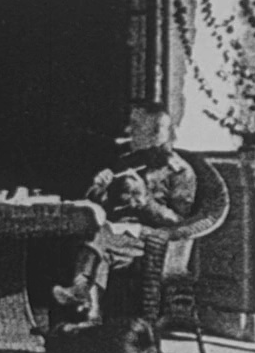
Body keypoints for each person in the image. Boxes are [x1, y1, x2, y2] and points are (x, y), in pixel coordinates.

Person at [53, 102, 198, 324]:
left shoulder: (180, 172)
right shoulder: (127, 161)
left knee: (97, 236)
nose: (128, 130)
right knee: (91, 235)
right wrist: (99, 189)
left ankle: (83, 295)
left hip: (150, 240)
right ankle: (89, 308)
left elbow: (180, 223)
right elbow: (109, 206)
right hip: (116, 236)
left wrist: (145, 201)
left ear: (156, 133)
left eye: (136, 125)